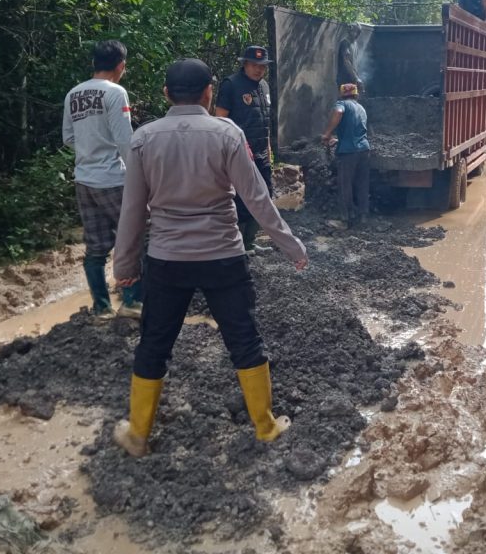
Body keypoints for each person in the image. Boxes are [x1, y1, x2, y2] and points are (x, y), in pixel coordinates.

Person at [111, 58, 308, 458]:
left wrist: (125, 267)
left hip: (166, 260)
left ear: (165, 94)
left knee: (154, 343)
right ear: (208, 93)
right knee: (243, 338)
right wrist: (292, 247)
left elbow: (133, 210)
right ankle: (266, 426)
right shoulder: (228, 135)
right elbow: (257, 200)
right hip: (223, 257)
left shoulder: (144, 139)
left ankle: (137, 434)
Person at [62, 39, 142, 319]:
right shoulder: (115, 92)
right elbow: (124, 140)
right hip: (113, 178)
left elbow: (68, 137)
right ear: (120, 66)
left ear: (94, 63)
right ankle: (132, 301)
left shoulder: (73, 94)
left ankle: (101, 307)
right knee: (131, 238)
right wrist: (138, 176)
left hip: (84, 179)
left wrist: (89, 149)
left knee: (95, 246)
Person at [215, 45, 274, 254]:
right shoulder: (231, 85)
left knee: (265, 195)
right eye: (255, 65)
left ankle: (249, 242)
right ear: (245, 64)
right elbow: (220, 121)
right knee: (239, 200)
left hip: (261, 154)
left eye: (263, 66)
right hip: (238, 155)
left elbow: (264, 121)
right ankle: (236, 246)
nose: (259, 70)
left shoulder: (264, 86)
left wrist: (268, 151)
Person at [321, 83, 371, 227]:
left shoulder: (341, 104)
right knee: (362, 184)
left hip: (348, 152)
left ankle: (345, 219)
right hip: (364, 150)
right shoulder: (361, 109)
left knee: (345, 185)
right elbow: (355, 130)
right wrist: (339, 139)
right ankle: (363, 216)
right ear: (356, 95)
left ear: (342, 94)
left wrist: (327, 134)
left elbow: (338, 112)